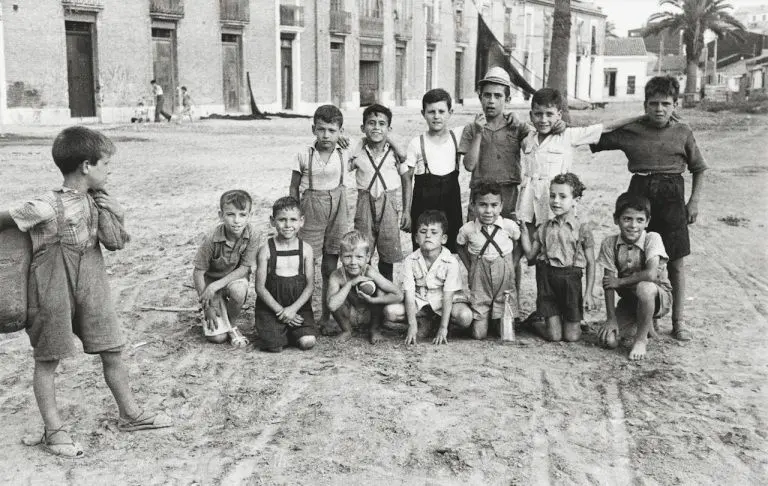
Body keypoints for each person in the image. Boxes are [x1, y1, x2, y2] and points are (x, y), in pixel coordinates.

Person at [0, 126, 171, 458]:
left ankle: (130, 414)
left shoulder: (98, 200)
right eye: (105, 163)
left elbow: (115, 242)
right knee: (48, 360)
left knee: (113, 350)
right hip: (51, 291)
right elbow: (5, 218)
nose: (110, 170)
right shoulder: (45, 206)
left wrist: (116, 210)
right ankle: (54, 430)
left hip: (92, 286)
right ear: (85, 166)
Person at [590, 75, 707, 341]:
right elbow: (596, 137)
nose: (659, 109)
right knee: (638, 258)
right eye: (653, 104)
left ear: (675, 104)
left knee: (675, 263)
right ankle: (643, 315)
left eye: (666, 104)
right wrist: (630, 120)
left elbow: (699, 169)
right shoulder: (634, 130)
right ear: (644, 105)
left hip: (672, 197)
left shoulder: (683, 132)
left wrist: (694, 201)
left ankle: (678, 322)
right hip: (639, 195)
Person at [517, 87, 644, 231]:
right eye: (538, 114)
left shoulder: (567, 135)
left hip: (556, 199)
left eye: (549, 114)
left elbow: (605, 127)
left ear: (559, 115)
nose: (543, 120)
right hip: (528, 197)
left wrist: (641, 117)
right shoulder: (528, 138)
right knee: (527, 234)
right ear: (531, 115)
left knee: (556, 237)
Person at [289, 104, 351, 332]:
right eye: (322, 129)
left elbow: (369, 142)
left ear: (340, 131)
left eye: (332, 130)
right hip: (311, 206)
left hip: (338, 207)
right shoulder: (304, 154)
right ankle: (301, 313)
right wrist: (295, 216)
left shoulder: (345, 152)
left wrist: (348, 140)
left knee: (330, 265)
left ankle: (327, 315)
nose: (326, 135)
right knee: (305, 263)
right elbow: (294, 187)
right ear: (313, 129)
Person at [519, 173, 596, 342]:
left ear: (575, 200)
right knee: (554, 336)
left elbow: (591, 263)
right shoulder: (544, 227)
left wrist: (589, 293)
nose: (556, 201)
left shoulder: (582, 229)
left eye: (563, 196)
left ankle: (566, 321)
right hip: (548, 282)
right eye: (552, 196)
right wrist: (524, 235)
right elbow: (531, 256)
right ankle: (535, 321)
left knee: (572, 337)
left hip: (571, 283)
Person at [596, 193, 673, 361]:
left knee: (644, 287)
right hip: (630, 301)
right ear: (616, 219)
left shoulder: (652, 238)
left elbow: (652, 274)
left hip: (658, 296)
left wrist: (621, 282)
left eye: (639, 220)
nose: (633, 225)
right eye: (627, 219)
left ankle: (641, 339)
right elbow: (609, 283)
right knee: (608, 341)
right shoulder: (610, 243)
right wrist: (611, 319)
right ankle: (642, 322)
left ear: (647, 221)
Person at [383, 210, 474, 345]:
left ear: (444, 239)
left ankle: (441, 323)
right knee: (390, 312)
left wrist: (443, 329)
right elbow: (409, 294)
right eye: (423, 231)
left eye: (434, 232)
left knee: (465, 317)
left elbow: (448, 296)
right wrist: (412, 325)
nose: (428, 236)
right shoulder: (410, 260)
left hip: (445, 301)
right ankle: (424, 321)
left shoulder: (450, 262)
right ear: (415, 238)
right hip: (420, 301)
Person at [347, 103, 409, 281]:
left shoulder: (394, 154)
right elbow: (345, 166)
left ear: (388, 128)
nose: (376, 127)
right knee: (362, 252)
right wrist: (360, 142)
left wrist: (406, 210)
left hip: (388, 204)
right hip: (364, 203)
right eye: (371, 123)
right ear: (363, 127)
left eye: (382, 124)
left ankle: (385, 294)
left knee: (387, 255)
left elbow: (406, 179)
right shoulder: (359, 152)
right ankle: (366, 291)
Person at [456, 179, 521, 339]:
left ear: (501, 205)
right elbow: (459, 246)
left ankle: (497, 319)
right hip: (480, 279)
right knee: (479, 335)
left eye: (494, 205)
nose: (488, 211)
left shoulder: (509, 226)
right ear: (473, 205)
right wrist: (469, 266)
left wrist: (513, 263)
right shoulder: (468, 229)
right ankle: (480, 319)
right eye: (483, 204)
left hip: (504, 278)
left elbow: (519, 243)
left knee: (505, 333)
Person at [192, 189, 257, 347]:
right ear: (221, 215)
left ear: (249, 215)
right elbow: (198, 273)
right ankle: (213, 309)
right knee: (217, 339)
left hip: (231, 281)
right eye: (230, 214)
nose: (237, 221)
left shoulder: (253, 234)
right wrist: (207, 305)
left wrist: (216, 286)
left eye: (242, 215)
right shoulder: (211, 238)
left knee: (239, 290)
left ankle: (231, 324)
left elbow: (244, 268)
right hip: (210, 287)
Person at [253, 197, 317, 353]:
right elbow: (260, 288)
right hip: (271, 308)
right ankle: (275, 331)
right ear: (272, 221)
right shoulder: (266, 250)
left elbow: (310, 285)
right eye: (282, 220)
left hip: (298, 308)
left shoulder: (306, 249)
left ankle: (293, 332)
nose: (288, 225)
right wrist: (281, 311)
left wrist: (292, 310)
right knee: (274, 346)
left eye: (293, 220)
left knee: (308, 342)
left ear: (301, 221)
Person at [404, 89, 464, 252]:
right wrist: (406, 211)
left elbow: (482, 126)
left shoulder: (457, 137)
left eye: (441, 111)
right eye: (431, 112)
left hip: (451, 203)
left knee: (450, 249)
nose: (436, 116)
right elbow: (407, 178)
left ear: (450, 112)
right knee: (424, 248)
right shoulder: (417, 143)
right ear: (423, 113)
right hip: (424, 203)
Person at [327, 230, 404, 344]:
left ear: (367, 257)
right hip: (349, 316)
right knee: (337, 296)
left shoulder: (369, 272)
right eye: (348, 256)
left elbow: (398, 295)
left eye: (359, 257)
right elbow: (332, 306)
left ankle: (374, 330)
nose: (353, 262)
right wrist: (349, 284)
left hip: (370, 314)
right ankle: (347, 330)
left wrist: (374, 300)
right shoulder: (336, 276)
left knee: (380, 290)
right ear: (341, 257)